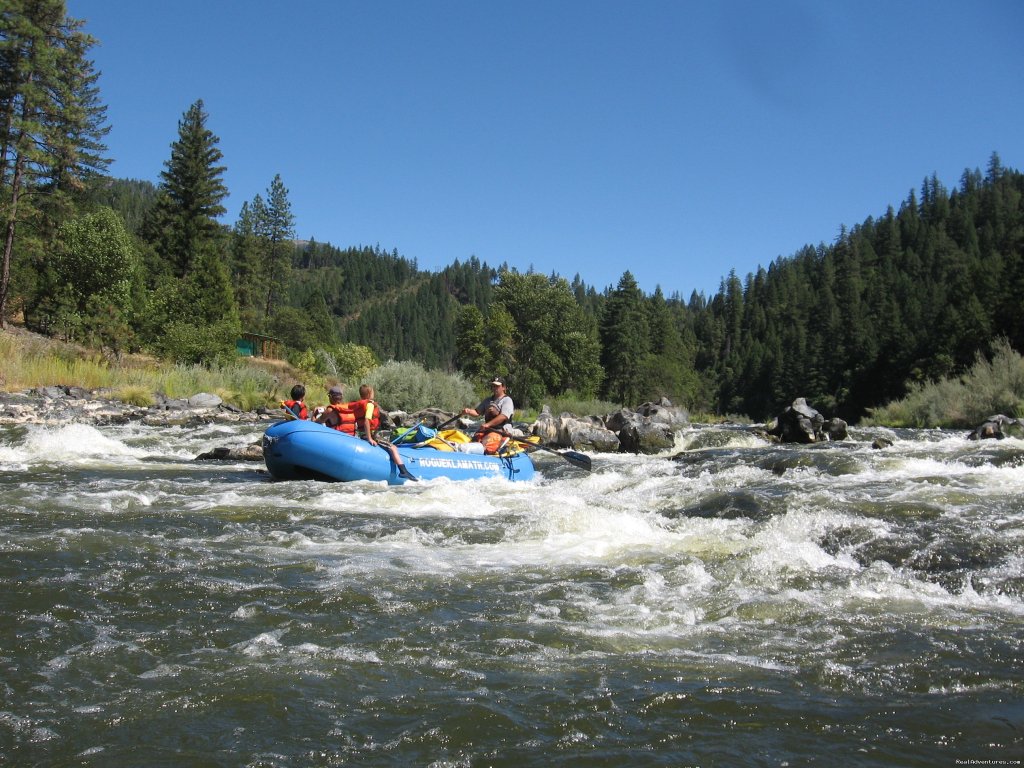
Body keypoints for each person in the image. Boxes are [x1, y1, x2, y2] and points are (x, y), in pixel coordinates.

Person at [352, 384, 417, 481]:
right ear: (370, 394)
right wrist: (370, 438)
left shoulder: (359, 405)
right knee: (393, 447)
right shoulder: (369, 405)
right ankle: (403, 471)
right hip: (372, 436)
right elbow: (366, 421)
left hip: (362, 435)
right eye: (373, 392)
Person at [460, 376, 515, 453]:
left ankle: (488, 450)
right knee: (475, 439)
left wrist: (488, 424)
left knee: (485, 443)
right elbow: (477, 412)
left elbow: (504, 416)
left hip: (501, 430)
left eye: (497, 386)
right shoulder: (488, 400)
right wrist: (468, 411)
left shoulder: (507, 400)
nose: (495, 388)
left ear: (503, 387)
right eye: (493, 386)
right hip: (488, 429)